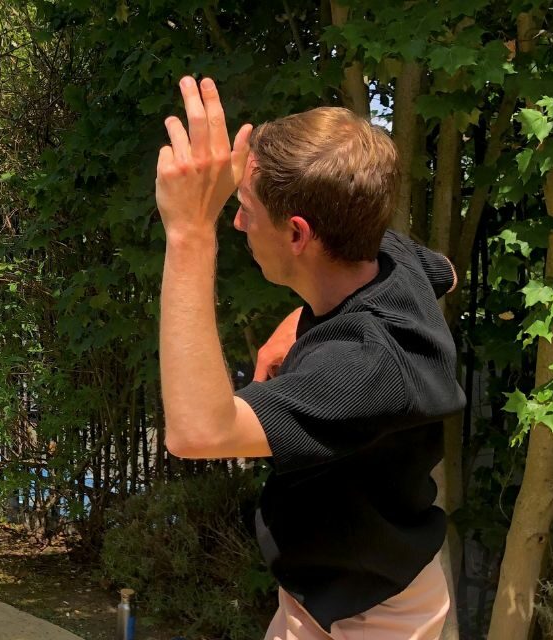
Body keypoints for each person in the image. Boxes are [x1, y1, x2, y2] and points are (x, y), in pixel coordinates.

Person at [154, 77, 465, 639]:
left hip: (375, 616)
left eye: (245, 208)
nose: (239, 222)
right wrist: (291, 327)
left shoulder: (360, 371)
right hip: (331, 590)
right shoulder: (386, 255)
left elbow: (198, 431)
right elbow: (445, 270)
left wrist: (189, 234)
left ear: (297, 234)